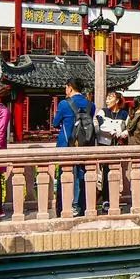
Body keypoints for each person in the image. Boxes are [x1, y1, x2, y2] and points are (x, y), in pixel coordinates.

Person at [51, 80, 93, 214]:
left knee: (66, 175)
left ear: (70, 88)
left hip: (67, 145)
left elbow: (55, 123)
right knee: (81, 175)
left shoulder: (64, 104)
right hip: (84, 145)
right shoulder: (90, 105)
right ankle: (81, 206)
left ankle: (65, 206)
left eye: (66, 87)